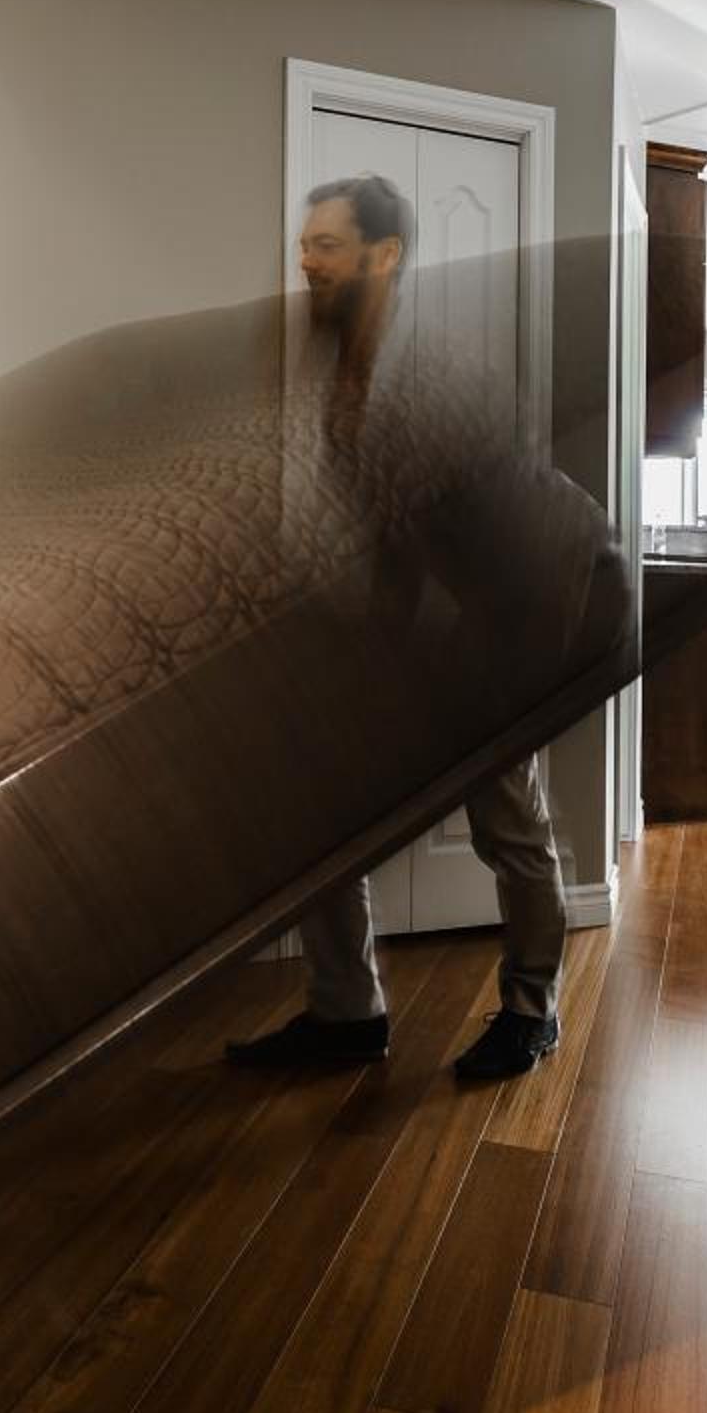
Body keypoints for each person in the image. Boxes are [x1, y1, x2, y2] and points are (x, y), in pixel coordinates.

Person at [226, 173, 569, 1084]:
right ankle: (347, 1013)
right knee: (324, 820)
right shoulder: (340, 364)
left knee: (511, 834)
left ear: (385, 256)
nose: (306, 261)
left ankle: (531, 1011)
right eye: (305, 244)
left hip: (493, 635)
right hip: (398, 634)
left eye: (326, 245)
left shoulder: (444, 374)